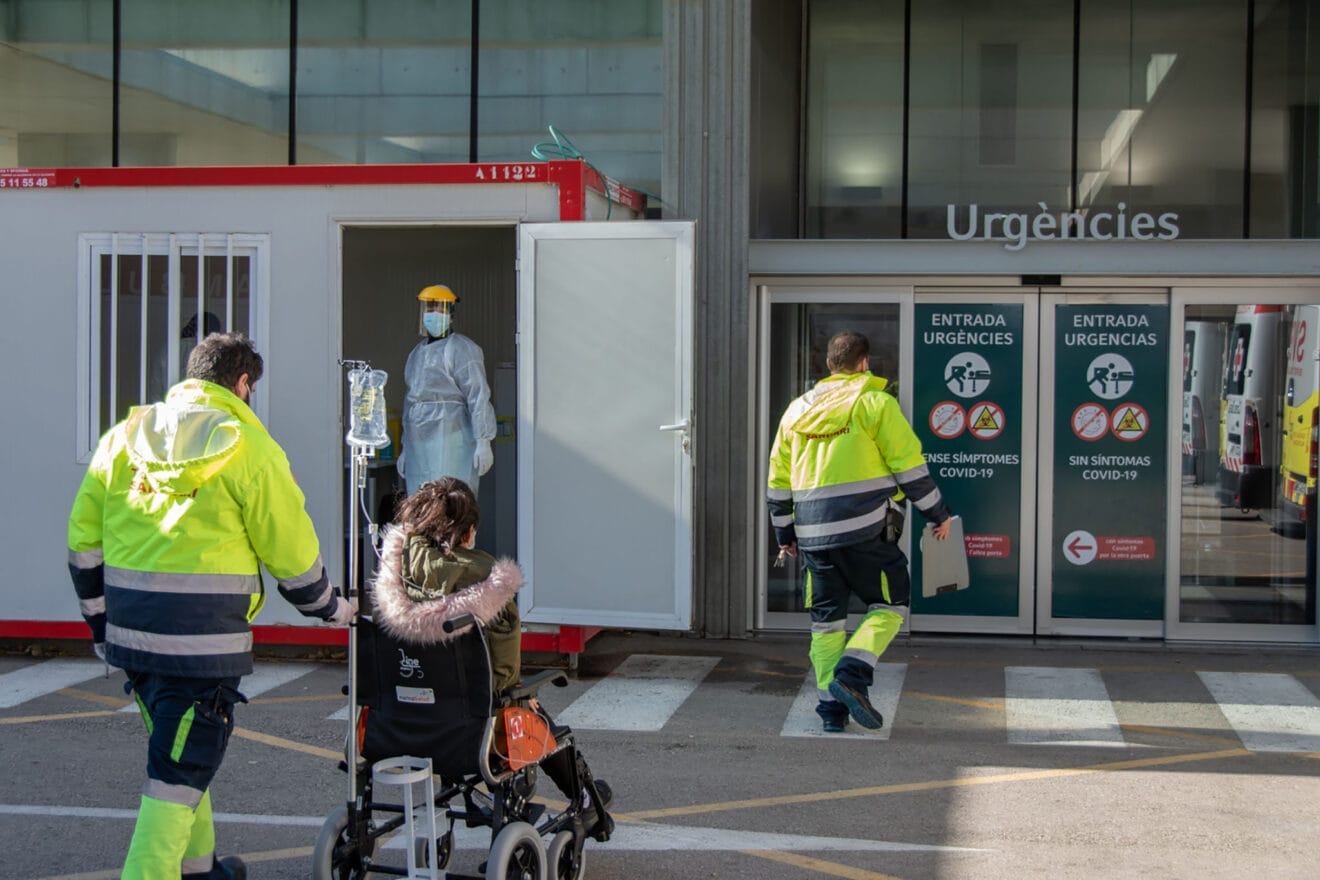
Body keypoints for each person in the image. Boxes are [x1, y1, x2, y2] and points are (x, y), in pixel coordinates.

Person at [67, 332, 356, 880]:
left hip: (132, 640)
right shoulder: (249, 445)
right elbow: (292, 556)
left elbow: (83, 543)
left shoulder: (123, 438)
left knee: (178, 763)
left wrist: (101, 627)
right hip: (203, 649)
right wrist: (333, 608)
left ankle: (200, 872)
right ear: (242, 384)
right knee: (176, 777)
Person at [370, 477, 613, 840]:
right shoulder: (486, 580)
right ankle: (584, 797)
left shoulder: (391, 574)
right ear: (468, 533)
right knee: (532, 712)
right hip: (470, 729)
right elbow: (503, 667)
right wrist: (518, 692)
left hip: (395, 723)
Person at [767, 331, 953, 733]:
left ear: (829, 365)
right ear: (864, 363)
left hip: (814, 535)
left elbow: (778, 478)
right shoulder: (875, 403)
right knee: (890, 606)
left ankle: (831, 711)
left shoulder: (796, 410)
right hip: (867, 530)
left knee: (827, 623)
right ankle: (852, 674)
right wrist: (937, 513)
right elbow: (909, 466)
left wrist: (784, 533)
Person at [400, 284, 497, 496]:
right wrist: (405, 446)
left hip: (452, 432)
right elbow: (410, 403)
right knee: (421, 496)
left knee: (449, 493)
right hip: (417, 439)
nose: (433, 314)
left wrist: (483, 440)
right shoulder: (416, 354)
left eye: (440, 309)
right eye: (429, 308)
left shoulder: (462, 348)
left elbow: (478, 396)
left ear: (451, 315)